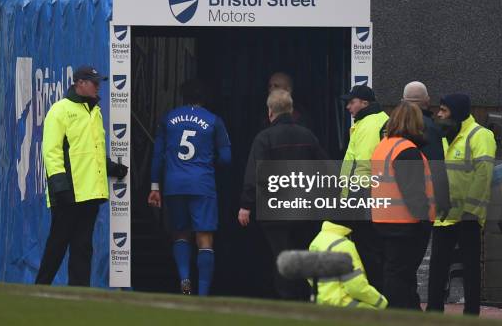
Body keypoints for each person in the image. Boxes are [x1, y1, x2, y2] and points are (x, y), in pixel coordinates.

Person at [36, 65, 128, 286]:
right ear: (79, 83)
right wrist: (61, 188)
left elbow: (92, 152)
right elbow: (52, 151)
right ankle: (40, 286)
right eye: (94, 82)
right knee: (58, 244)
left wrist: (112, 168)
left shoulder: (94, 111)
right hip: (69, 192)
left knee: (83, 246)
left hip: (90, 193)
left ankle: (80, 293)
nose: (98, 87)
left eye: (98, 82)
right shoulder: (60, 110)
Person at [239, 89, 327, 300]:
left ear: (270, 112)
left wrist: (246, 205)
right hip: (304, 209)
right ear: (291, 110)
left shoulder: (264, 138)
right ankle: (307, 296)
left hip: (274, 211)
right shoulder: (308, 136)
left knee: (281, 255)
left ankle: (286, 299)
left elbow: (255, 174)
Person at [148, 79, 231, 296]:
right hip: (202, 184)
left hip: (174, 184)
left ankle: (185, 282)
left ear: (182, 96)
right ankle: (203, 294)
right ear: (206, 98)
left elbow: (158, 156)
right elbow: (226, 158)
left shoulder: (168, 119)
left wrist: (154, 186)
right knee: (204, 238)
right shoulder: (214, 121)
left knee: (180, 234)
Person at [427, 94, 496, 316]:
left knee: (470, 268)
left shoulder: (480, 136)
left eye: (444, 110)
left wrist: (472, 211)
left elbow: (483, 175)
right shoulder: (445, 136)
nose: (439, 114)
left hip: (468, 216)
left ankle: (471, 313)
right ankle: (434, 311)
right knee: (437, 267)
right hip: (444, 214)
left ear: (456, 112)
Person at [371, 101, 436, 309]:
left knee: (396, 275)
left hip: (382, 221)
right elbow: (413, 191)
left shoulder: (383, 146)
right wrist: (425, 218)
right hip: (406, 224)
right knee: (400, 278)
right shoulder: (407, 150)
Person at [339, 84, 388, 291]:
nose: (348, 107)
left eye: (352, 102)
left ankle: (374, 295)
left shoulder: (369, 125)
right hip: (368, 196)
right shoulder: (367, 122)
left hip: (364, 196)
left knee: (368, 251)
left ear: (365, 103)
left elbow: (364, 168)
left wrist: (351, 197)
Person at [308, 221, 388, 309]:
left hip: (323, 303)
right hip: (345, 306)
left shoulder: (317, 241)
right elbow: (356, 287)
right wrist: (381, 302)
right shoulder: (343, 245)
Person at [402, 82, 450, 219]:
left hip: (391, 203)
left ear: (402, 101)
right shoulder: (430, 128)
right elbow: (436, 168)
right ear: (427, 100)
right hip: (421, 202)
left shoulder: (390, 126)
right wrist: (443, 201)